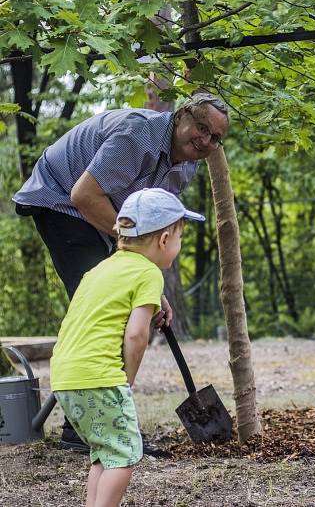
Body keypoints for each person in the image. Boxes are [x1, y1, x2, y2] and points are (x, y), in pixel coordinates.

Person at [13, 92, 228, 451]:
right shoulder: (138, 135)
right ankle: (84, 428)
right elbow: (85, 196)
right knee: (109, 308)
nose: (206, 140)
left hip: (104, 215)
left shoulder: (188, 165)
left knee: (120, 299)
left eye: (216, 137)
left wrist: (148, 292)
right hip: (62, 200)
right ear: (181, 117)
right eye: (201, 128)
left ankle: (88, 419)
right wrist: (133, 275)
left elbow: (149, 229)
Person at [50, 188, 204, 507]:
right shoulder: (149, 273)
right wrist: (127, 379)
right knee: (125, 455)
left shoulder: (103, 268)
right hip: (100, 378)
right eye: (179, 238)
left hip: (65, 377)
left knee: (104, 452)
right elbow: (136, 335)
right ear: (163, 240)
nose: (178, 245)